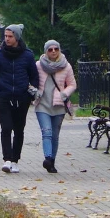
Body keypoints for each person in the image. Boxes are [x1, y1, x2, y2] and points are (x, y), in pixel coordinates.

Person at [0, 23, 38, 174]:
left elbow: (34, 76)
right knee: (6, 127)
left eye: (10, 36)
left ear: (17, 37)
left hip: (22, 98)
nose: (7, 39)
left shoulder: (27, 55)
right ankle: (7, 160)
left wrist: (30, 93)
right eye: (5, 36)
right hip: (3, 97)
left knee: (19, 129)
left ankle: (15, 160)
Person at [34, 39, 77, 174]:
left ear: (59, 50)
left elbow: (72, 84)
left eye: (56, 49)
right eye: (50, 49)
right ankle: (47, 158)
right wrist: (33, 90)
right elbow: (30, 80)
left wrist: (65, 93)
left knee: (55, 135)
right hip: (42, 104)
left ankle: (52, 162)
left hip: (59, 105)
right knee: (46, 132)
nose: (53, 51)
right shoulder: (38, 65)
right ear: (45, 51)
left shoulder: (66, 66)